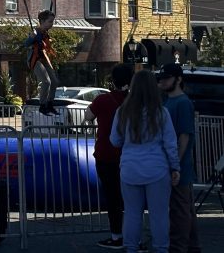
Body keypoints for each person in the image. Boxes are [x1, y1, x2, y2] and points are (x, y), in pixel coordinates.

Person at [110, 70, 180, 253]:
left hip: (129, 168)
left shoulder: (122, 112)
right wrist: (175, 167)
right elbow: (170, 143)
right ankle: (161, 248)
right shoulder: (161, 112)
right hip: (157, 169)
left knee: (132, 213)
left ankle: (131, 248)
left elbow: (115, 140)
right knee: (159, 215)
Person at [82, 63, 133, 250]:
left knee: (113, 198)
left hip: (106, 154)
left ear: (113, 80)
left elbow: (88, 116)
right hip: (130, 155)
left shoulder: (103, 100)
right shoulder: (135, 101)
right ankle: (134, 236)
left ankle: (116, 236)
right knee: (132, 199)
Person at [157, 63, 202, 253]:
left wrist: (175, 164)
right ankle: (192, 245)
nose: (162, 81)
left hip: (178, 165)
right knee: (185, 208)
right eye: (161, 78)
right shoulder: (169, 101)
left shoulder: (182, 103)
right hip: (176, 164)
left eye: (166, 78)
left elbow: (184, 136)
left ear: (178, 79)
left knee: (180, 209)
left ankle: (179, 247)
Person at [25, 9, 59, 115]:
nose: (52, 24)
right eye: (50, 21)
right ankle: (42, 105)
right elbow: (26, 44)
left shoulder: (45, 33)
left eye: (52, 21)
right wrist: (31, 38)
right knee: (46, 81)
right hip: (34, 59)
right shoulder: (35, 32)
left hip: (43, 58)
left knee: (54, 81)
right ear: (42, 22)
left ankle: (49, 104)